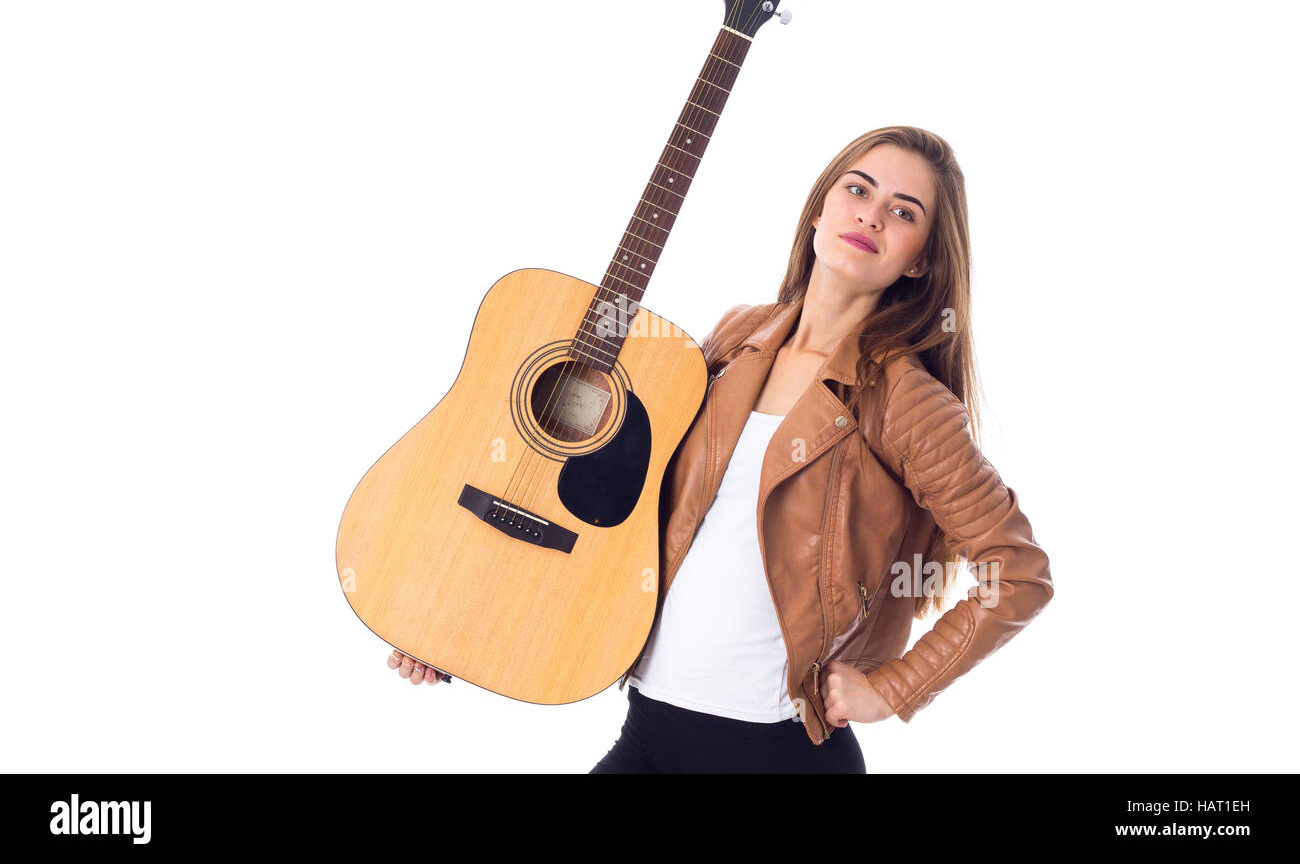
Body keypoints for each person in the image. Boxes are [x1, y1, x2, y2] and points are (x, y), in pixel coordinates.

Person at [387, 125, 1055, 774]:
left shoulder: (904, 400)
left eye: (901, 211)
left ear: (922, 258)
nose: (871, 216)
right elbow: (608, 521)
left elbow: (1017, 570)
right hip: (650, 728)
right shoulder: (736, 341)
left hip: (779, 752)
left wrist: (896, 685)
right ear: (820, 207)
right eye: (858, 189)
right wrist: (454, 630)